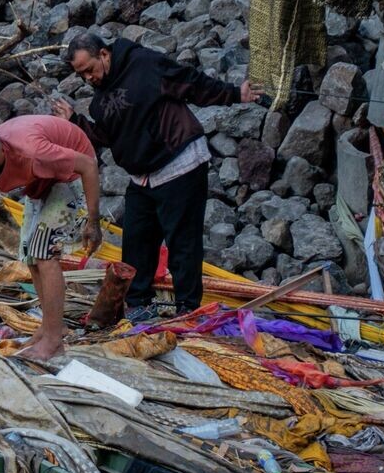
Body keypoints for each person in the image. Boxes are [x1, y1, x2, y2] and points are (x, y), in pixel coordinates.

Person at [53, 32, 264, 321]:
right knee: (136, 241)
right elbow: (105, 136)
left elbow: (189, 81)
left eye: (89, 69)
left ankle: (188, 309)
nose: (88, 78)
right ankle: (140, 304)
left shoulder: (144, 64)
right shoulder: (99, 101)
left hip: (179, 162)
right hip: (142, 176)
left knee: (182, 243)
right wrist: (75, 122)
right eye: (81, 75)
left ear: (104, 54)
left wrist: (234, 94)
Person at [0, 112, 101, 359]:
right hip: (41, 182)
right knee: (29, 254)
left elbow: (88, 166)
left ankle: (53, 341)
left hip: (73, 174)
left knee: (44, 254)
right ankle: (51, 327)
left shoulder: (32, 149)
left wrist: (93, 221)